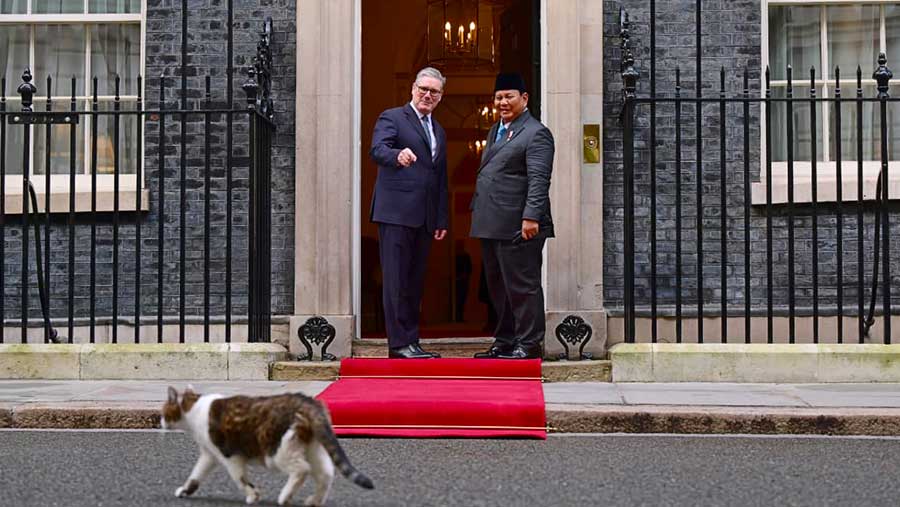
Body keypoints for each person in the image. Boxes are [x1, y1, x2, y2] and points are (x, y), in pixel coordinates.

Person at [470, 72, 554, 360]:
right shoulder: (496, 129)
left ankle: (528, 343)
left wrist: (531, 217)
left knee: (522, 286)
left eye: (509, 96)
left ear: (524, 98)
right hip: (492, 222)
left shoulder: (536, 132)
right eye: (498, 97)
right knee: (498, 287)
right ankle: (505, 340)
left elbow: (539, 179)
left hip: (519, 224)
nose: (502, 102)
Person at [369, 67, 449, 359]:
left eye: (434, 91)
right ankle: (398, 344)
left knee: (414, 282)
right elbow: (378, 149)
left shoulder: (438, 130)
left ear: (440, 96)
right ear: (413, 89)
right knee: (396, 281)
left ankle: (411, 341)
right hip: (395, 213)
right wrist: (397, 155)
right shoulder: (392, 117)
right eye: (423, 89)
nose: (427, 95)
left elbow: (440, 178)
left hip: (424, 217)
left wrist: (441, 218)